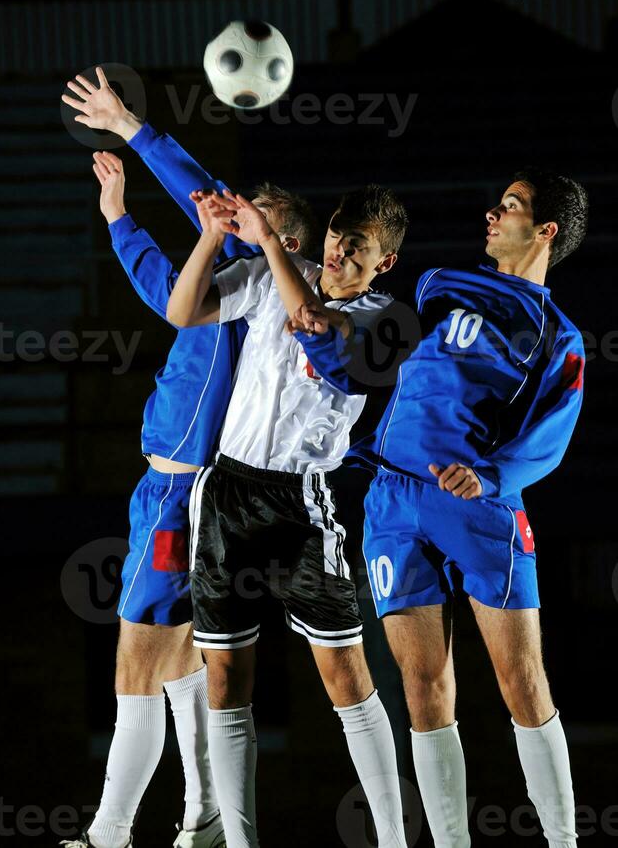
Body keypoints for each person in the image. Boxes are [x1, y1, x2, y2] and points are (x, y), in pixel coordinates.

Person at [293, 169, 589, 848]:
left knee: (522, 678)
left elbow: (554, 431)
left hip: (480, 508)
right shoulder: (439, 287)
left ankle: (565, 841)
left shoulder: (554, 332)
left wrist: (488, 477)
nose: (493, 211)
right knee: (423, 690)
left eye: (510, 205)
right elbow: (375, 366)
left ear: (544, 231)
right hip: (393, 500)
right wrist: (320, 339)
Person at [60, 71, 316, 848]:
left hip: (184, 497)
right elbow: (166, 286)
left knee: (134, 666)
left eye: (253, 217)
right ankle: (202, 813)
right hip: (164, 490)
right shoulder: (227, 285)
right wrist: (118, 219)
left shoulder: (264, 296)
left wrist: (134, 127)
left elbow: (202, 192)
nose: (232, 216)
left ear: (287, 242)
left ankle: (108, 834)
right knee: (173, 666)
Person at [166, 184, 410, 848]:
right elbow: (183, 310)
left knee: (346, 674)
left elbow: (322, 339)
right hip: (229, 492)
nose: (338, 249)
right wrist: (213, 236)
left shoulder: (387, 316)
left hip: (308, 502)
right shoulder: (281, 273)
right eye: (335, 233)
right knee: (225, 674)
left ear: (383, 262)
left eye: (356, 245)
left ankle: (393, 838)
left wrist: (269, 241)